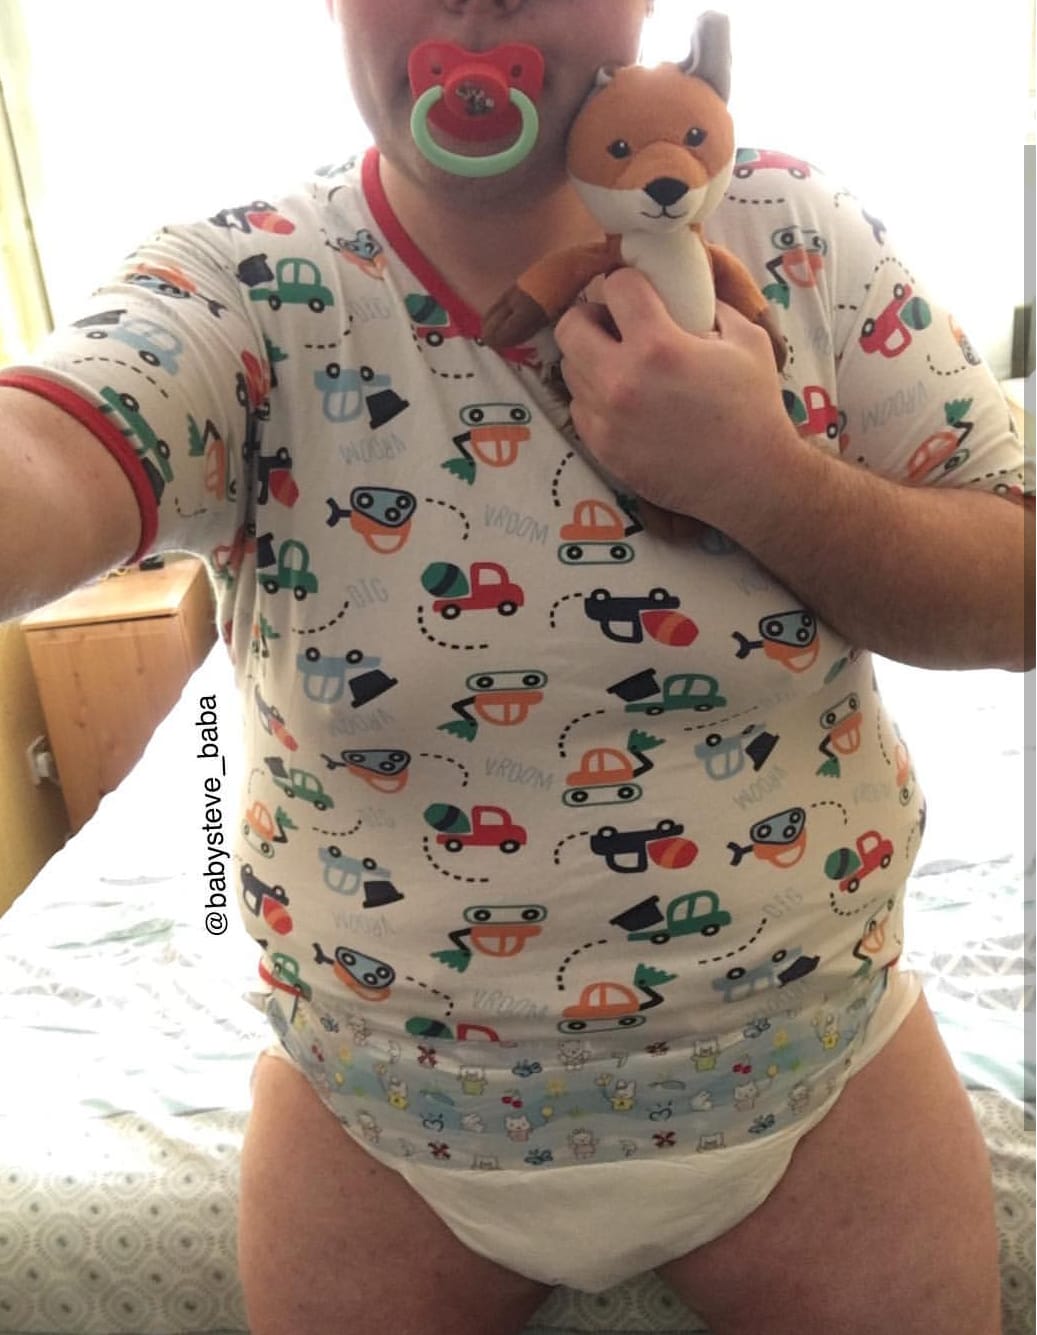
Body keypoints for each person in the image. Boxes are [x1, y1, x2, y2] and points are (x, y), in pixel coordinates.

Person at [0, 1, 1030, 1331]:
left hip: (813, 1072)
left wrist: (763, 478)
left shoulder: (796, 235)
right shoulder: (242, 286)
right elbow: (52, 447)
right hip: (381, 1114)